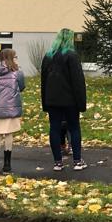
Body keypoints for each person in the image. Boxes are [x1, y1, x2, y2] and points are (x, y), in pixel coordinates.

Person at [40, 28, 88, 171]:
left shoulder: (48, 57)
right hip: (70, 100)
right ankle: (77, 161)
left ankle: (58, 162)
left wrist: (45, 101)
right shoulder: (72, 56)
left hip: (52, 99)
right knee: (74, 128)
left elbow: (43, 82)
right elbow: (78, 81)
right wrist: (81, 103)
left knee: (54, 128)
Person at [0, 48, 25, 173]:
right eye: (15, 57)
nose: (16, 59)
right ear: (11, 58)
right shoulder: (17, 73)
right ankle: (7, 164)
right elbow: (22, 87)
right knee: (9, 134)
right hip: (11, 107)